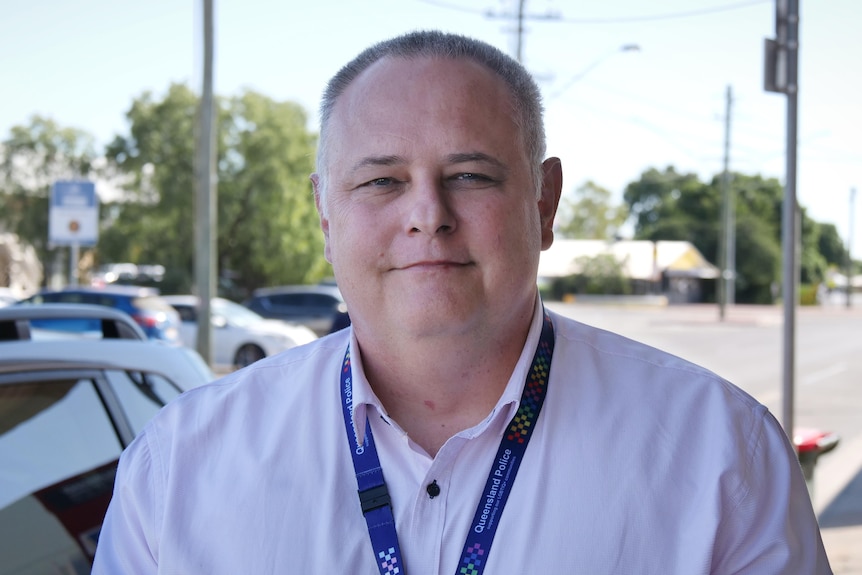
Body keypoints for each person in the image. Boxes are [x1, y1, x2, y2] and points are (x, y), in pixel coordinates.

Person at [92, 30, 831, 574]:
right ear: (324, 215)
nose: (427, 214)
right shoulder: (178, 470)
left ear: (544, 203)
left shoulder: (722, 457)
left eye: (471, 175)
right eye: (381, 180)